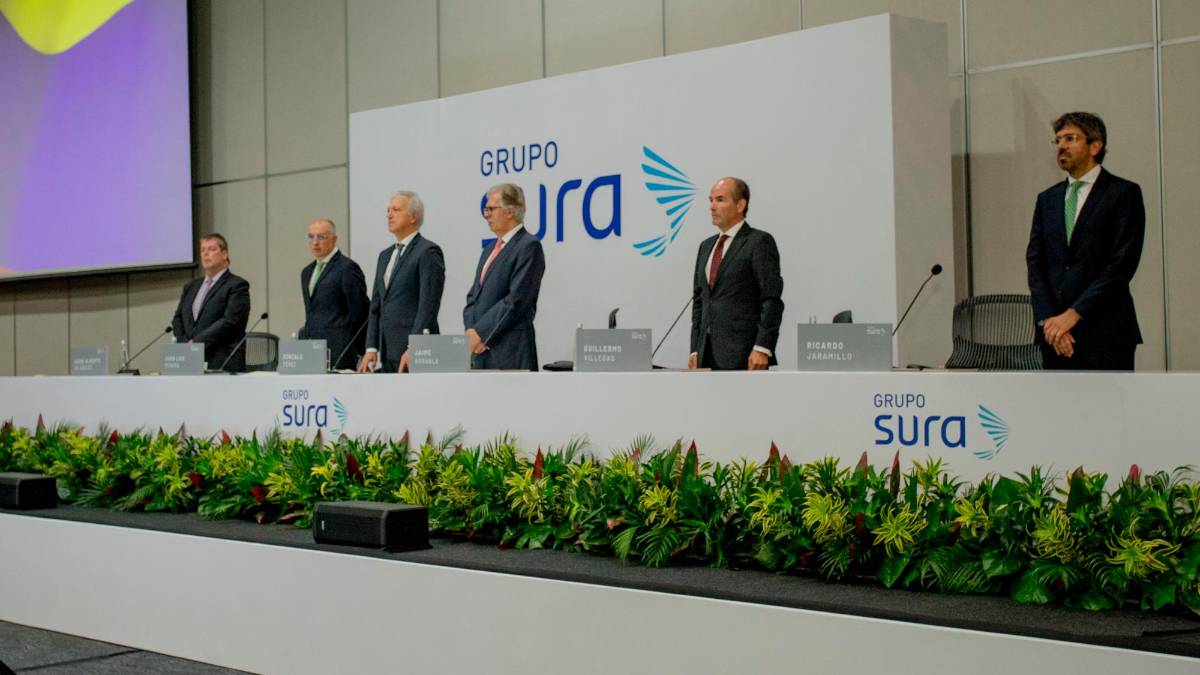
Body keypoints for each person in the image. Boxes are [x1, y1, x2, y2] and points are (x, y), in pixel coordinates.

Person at [1026, 112, 1145, 370]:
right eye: (1058, 140)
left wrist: (1074, 314)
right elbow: (1036, 262)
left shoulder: (1123, 193)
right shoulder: (1047, 199)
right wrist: (1049, 320)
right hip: (1055, 336)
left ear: (1095, 146)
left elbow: (1121, 264)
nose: (1061, 146)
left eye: (1070, 138)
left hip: (1106, 334)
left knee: (1109, 399)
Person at [689, 177, 784, 370]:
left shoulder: (758, 242)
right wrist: (695, 349)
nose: (712, 206)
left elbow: (771, 299)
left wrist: (762, 347)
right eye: (710, 200)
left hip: (745, 356)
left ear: (741, 205)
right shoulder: (706, 246)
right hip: (705, 355)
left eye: (720, 199)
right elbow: (699, 300)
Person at [358, 191, 445, 373]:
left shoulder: (428, 251)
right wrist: (371, 347)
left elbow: (428, 304)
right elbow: (376, 305)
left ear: (413, 217)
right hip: (387, 351)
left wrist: (415, 346)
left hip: (415, 352)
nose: (389, 215)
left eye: (396, 210)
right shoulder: (385, 255)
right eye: (388, 210)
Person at [463, 183, 545, 371]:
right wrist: (471, 332)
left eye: (491, 209)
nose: (487, 215)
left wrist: (481, 333)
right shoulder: (488, 250)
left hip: (510, 352)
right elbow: (473, 296)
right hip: (480, 352)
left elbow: (516, 300)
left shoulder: (528, 246)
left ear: (510, 211)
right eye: (486, 210)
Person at [172, 233, 251, 372]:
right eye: (202, 250)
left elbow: (230, 321)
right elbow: (178, 319)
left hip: (222, 361)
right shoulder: (191, 286)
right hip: (190, 360)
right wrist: (184, 345)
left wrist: (196, 343)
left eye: (211, 249)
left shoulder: (237, 286)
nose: (205, 254)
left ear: (224, 254)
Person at [299, 218, 369, 370]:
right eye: (311, 237)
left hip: (342, 351)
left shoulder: (347, 268)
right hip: (313, 350)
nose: (315, 242)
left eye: (321, 237)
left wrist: (362, 351)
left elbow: (361, 312)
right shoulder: (306, 272)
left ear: (334, 239)